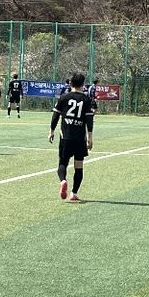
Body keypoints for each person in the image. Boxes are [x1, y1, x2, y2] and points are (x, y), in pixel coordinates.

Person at [48, 72, 94, 202]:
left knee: (63, 163)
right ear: (83, 84)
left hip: (66, 137)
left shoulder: (64, 97)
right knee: (79, 166)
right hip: (79, 138)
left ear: (70, 83)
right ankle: (73, 193)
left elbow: (55, 116)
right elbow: (89, 120)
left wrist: (51, 131)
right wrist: (90, 137)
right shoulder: (86, 100)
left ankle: (63, 180)